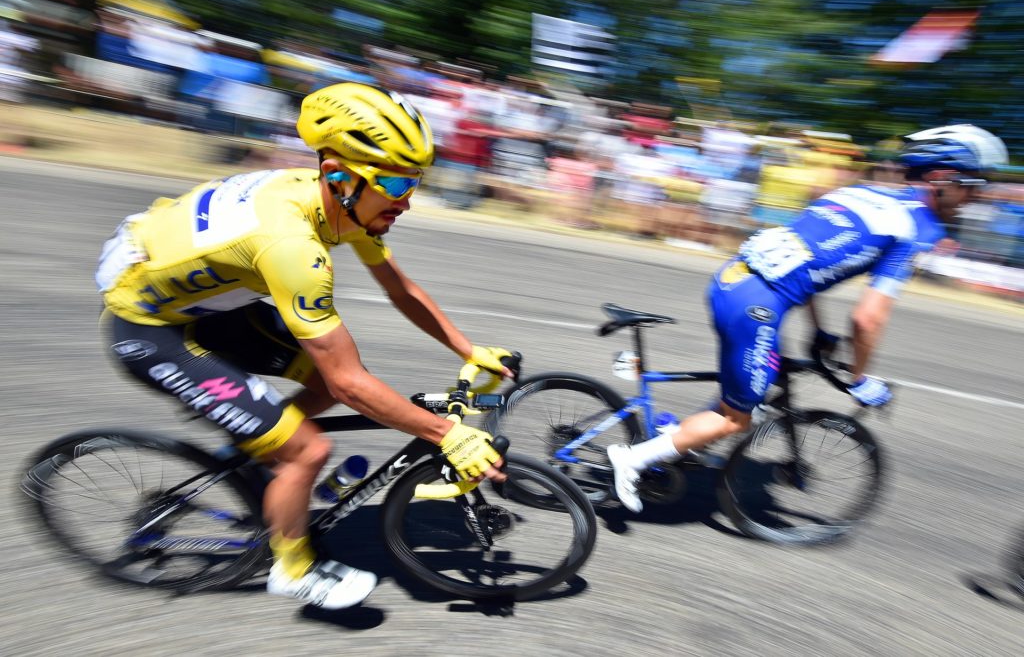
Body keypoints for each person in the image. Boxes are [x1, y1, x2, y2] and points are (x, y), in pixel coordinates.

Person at [96, 82, 514, 607]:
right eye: (391, 181)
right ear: (338, 173)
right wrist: (447, 434)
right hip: (150, 330)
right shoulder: (294, 247)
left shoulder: (337, 199)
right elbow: (350, 381)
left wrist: (467, 350)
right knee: (308, 449)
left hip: (206, 304)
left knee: (313, 397)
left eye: (413, 182)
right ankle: (292, 568)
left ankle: (255, 453)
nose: (405, 201)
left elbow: (398, 287)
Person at [607, 124, 1009, 513]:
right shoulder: (917, 230)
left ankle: (678, 439)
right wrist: (860, 378)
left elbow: (805, 255)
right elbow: (869, 318)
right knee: (736, 418)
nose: (976, 198)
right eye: (973, 187)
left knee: (759, 379)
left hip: (734, 280)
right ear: (942, 178)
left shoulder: (862, 193)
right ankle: (636, 458)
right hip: (756, 305)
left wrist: (817, 330)